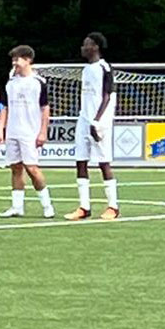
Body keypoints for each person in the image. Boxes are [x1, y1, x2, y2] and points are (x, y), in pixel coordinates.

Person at [0, 44, 55, 219]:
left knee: (32, 168)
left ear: (28, 60)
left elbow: (45, 108)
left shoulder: (38, 83)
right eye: (13, 59)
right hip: (13, 131)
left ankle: (47, 205)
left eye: (18, 59)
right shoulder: (11, 82)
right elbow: (5, 107)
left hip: (30, 131)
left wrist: (43, 132)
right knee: (15, 168)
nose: (15, 63)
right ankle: (17, 206)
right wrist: (1, 129)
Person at [69, 32, 119, 221]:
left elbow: (107, 96)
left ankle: (113, 206)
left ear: (95, 47)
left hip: (99, 120)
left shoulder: (104, 68)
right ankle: (84, 206)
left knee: (103, 162)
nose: (83, 47)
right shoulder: (85, 69)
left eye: (86, 44)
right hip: (84, 118)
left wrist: (97, 121)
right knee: (80, 161)